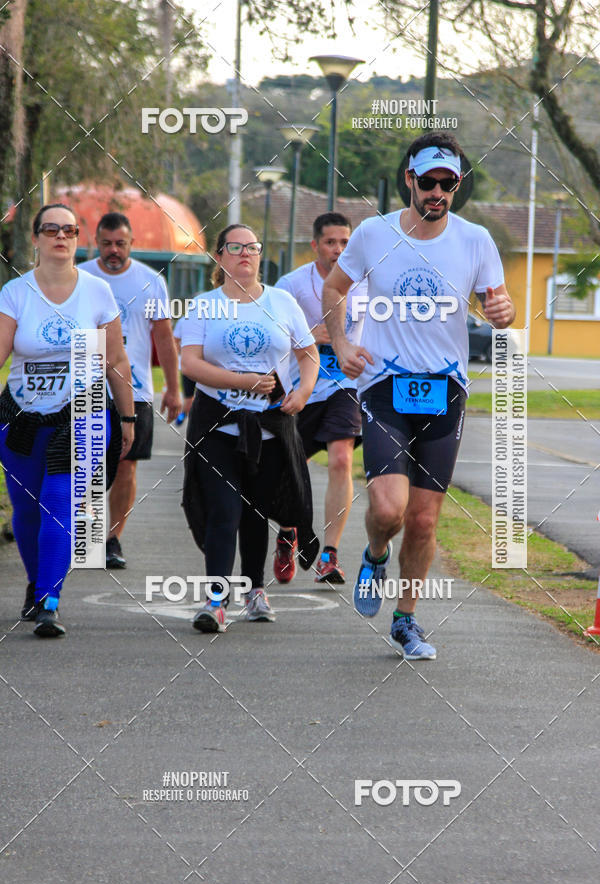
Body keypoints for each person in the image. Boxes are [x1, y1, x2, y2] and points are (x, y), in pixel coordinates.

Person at [322, 131, 515, 659]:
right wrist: (341, 344)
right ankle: (376, 552)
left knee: (426, 519)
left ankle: (406, 621)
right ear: (409, 179)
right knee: (389, 509)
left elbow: (500, 305)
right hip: (384, 386)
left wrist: (505, 315)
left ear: (456, 185)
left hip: (445, 390)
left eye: (447, 183)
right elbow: (334, 288)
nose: (437, 192)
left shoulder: (475, 240)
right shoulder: (372, 234)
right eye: (427, 182)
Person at [0, 203, 134, 637]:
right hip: (20, 416)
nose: (61, 236)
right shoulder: (15, 293)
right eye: (51, 229)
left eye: (70, 230)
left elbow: (115, 360)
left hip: (83, 415)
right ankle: (36, 583)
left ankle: (49, 601)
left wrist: (128, 416)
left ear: (79, 239)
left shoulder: (97, 292)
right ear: (36, 238)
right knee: (26, 509)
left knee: (60, 504)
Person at [180, 224, 319, 633]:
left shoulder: (282, 302)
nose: (245, 254)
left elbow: (308, 354)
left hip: (270, 425)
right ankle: (215, 600)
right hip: (217, 423)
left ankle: (256, 590)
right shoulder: (205, 305)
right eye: (235, 247)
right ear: (220, 257)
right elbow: (190, 363)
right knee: (225, 509)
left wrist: (305, 391)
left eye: (252, 247)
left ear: (260, 256)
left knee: (256, 512)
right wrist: (243, 381)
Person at [79, 213, 181, 568]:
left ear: (131, 244)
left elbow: (164, 338)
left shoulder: (150, 282)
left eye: (120, 244)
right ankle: (86, 538)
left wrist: (172, 387)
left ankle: (113, 540)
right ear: (96, 242)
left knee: (126, 466)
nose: (113, 251)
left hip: (136, 389)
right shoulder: (81, 278)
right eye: (106, 243)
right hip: (87, 386)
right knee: (88, 466)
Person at [273, 212, 366, 585]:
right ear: (315, 245)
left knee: (342, 458)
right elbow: (271, 334)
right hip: (302, 390)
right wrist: (311, 335)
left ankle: (329, 555)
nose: (338, 250)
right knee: (288, 472)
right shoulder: (292, 285)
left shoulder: (366, 285)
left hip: (346, 388)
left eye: (345, 243)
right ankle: (289, 532)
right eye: (331, 242)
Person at [172, 316, 195, 426]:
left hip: (205, 366)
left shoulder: (210, 319)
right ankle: (184, 414)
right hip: (187, 367)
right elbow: (175, 341)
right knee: (189, 397)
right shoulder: (183, 321)